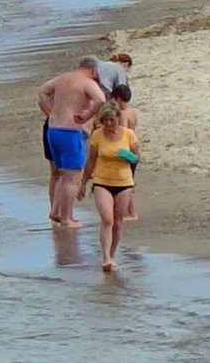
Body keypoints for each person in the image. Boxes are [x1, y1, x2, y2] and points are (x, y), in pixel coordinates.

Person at [38, 59, 106, 228]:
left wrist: (51, 111)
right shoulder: (87, 83)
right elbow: (100, 99)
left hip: (53, 130)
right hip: (70, 131)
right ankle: (67, 218)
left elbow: (42, 92)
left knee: (61, 174)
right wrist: (87, 115)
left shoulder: (62, 78)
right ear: (94, 71)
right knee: (73, 177)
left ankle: (56, 210)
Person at [75, 101, 139, 271]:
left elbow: (137, 157)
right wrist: (83, 183)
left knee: (118, 222)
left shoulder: (128, 135)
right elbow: (91, 161)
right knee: (107, 219)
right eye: (105, 121)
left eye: (112, 120)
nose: (109, 124)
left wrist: (131, 157)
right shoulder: (97, 135)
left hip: (124, 183)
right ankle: (105, 257)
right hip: (102, 182)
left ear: (118, 118)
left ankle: (112, 254)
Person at [109, 84, 139, 221]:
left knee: (126, 182)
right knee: (129, 181)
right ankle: (130, 211)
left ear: (119, 98)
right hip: (134, 148)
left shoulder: (122, 115)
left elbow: (122, 133)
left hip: (125, 151)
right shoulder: (132, 111)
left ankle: (131, 212)